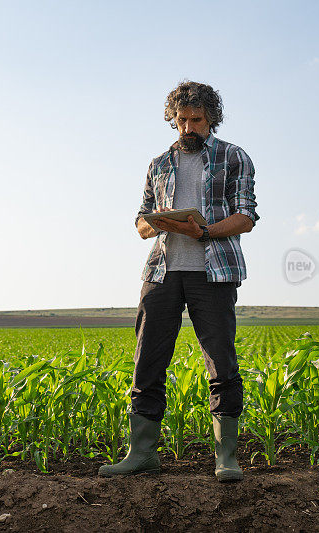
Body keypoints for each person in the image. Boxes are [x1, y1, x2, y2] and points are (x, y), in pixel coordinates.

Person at [98, 80, 259, 482]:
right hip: (161, 272)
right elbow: (140, 221)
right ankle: (142, 454)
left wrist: (203, 232)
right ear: (173, 119)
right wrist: (157, 222)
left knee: (221, 363)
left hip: (213, 270)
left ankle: (226, 458)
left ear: (211, 120)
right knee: (147, 362)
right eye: (181, 120)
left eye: (197, 120)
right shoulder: (158, 163)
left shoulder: (234, 157)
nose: (188, 127)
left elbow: (246, 217)